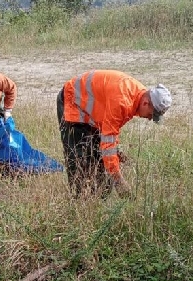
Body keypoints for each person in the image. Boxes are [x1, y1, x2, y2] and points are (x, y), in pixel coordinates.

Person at [56, 70, 172, 198]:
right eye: (151, 114)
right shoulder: (123, 102)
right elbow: (108, 143)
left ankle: (98, 201)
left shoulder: (137, 96)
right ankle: (80, 202)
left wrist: (116, 150)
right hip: (72, 101)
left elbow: (110, 131)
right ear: (146, 103)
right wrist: (119, 181)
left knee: (102, 164)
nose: (150, 118)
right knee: (80, 160)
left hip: (92, 114)